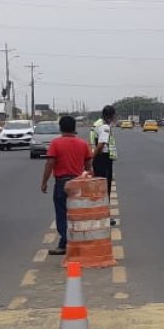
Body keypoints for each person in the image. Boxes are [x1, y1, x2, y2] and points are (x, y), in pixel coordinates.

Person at [40, 115, 93, 256]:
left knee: (62, 214)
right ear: (74, 128)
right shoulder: (83, 144)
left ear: (61, 128)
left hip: (62, 183)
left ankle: (70, 242)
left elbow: (49, 163)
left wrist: (44, 182)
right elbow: (88, 166)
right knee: (77, 214)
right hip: (79, 182)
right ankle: (65, 244)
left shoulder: (56, 143)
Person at [90, 105, 118, 226]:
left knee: (99, 187)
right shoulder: (104, 127)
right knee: (104, 189)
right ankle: (104, 216)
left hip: (99, 159)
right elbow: (101, 144)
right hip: (102, 159)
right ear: (111, 116)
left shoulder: (97, 123)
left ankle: (98, 214)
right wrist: (92, 159)